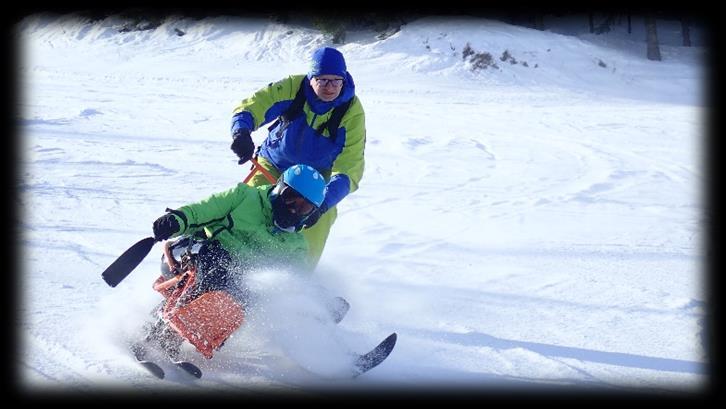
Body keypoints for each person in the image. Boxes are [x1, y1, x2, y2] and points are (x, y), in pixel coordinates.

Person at [138, 164, 326, 360]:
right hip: (190, 256)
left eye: (304, 207)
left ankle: (183, 334)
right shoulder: (244, 197)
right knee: (218, 264)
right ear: (279, 189)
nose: (295, 209)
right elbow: (202, 211)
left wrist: (322, 303)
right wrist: (177, 220)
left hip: (228, 282)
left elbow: (293, 284)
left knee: (249, 292)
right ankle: (160, 331)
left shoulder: (296, 245)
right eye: (290, 198)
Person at [229, 46, 366, 269]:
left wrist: (323, 204)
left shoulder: (352, 112)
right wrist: (241, 132)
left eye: (336, 81)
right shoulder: (293, 87)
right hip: (274, 164)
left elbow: (350, 168)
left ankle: (298, 280)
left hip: (315, 178)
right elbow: (254, 105)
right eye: (323, 80)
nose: (330, 87)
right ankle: (231, 256)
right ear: (311, 78)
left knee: (317, 220)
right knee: (251, 200)